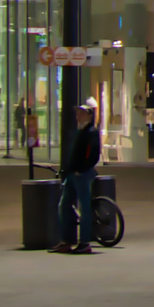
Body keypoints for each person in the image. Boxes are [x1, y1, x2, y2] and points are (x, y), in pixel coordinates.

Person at [51, 98, 102, 254]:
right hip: (74, 174)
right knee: (64, 205)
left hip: (83, 174)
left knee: (84, 207)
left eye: (81, 113)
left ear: (88, 115)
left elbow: (93, 155)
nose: (78, 116)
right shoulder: (80, 131)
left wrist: (82, 169)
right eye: (77, 113)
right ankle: (66, 240)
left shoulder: (91, 133)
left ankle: (84, 242)